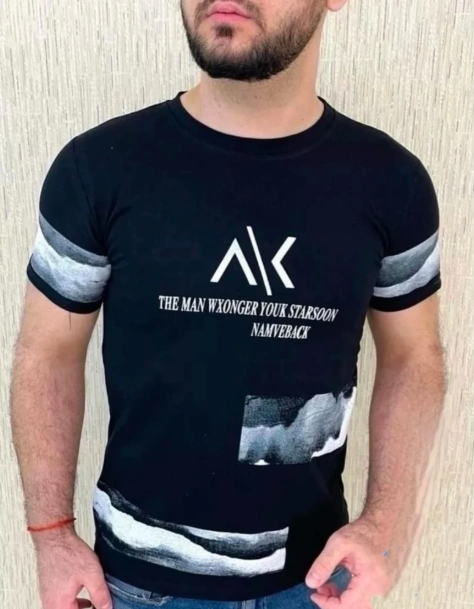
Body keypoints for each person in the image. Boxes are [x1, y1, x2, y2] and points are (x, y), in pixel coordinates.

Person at [10, 0, 447, 608]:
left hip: (316, 580)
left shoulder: (392, 184)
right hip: (133, 587)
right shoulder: (97, 169)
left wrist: (386, 524)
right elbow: (47, 353)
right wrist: (51, 535)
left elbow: (414, 357)